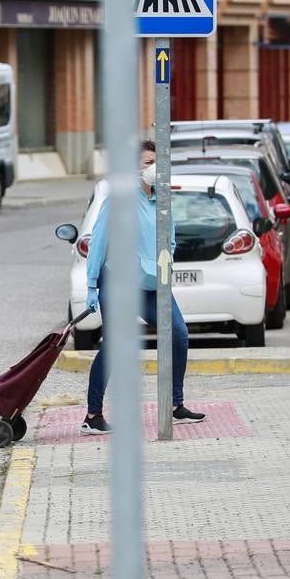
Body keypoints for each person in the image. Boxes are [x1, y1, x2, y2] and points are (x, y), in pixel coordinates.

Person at [82, 141, 206, 434]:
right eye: (147, 162)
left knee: (178, 334)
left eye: (156, 163)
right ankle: (93, 415)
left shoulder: (161, 200)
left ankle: (176, 405)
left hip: (153, 283)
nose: (153, 168)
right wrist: (91, 285)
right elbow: (98, 241)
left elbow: (170, 236)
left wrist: (167, 257)